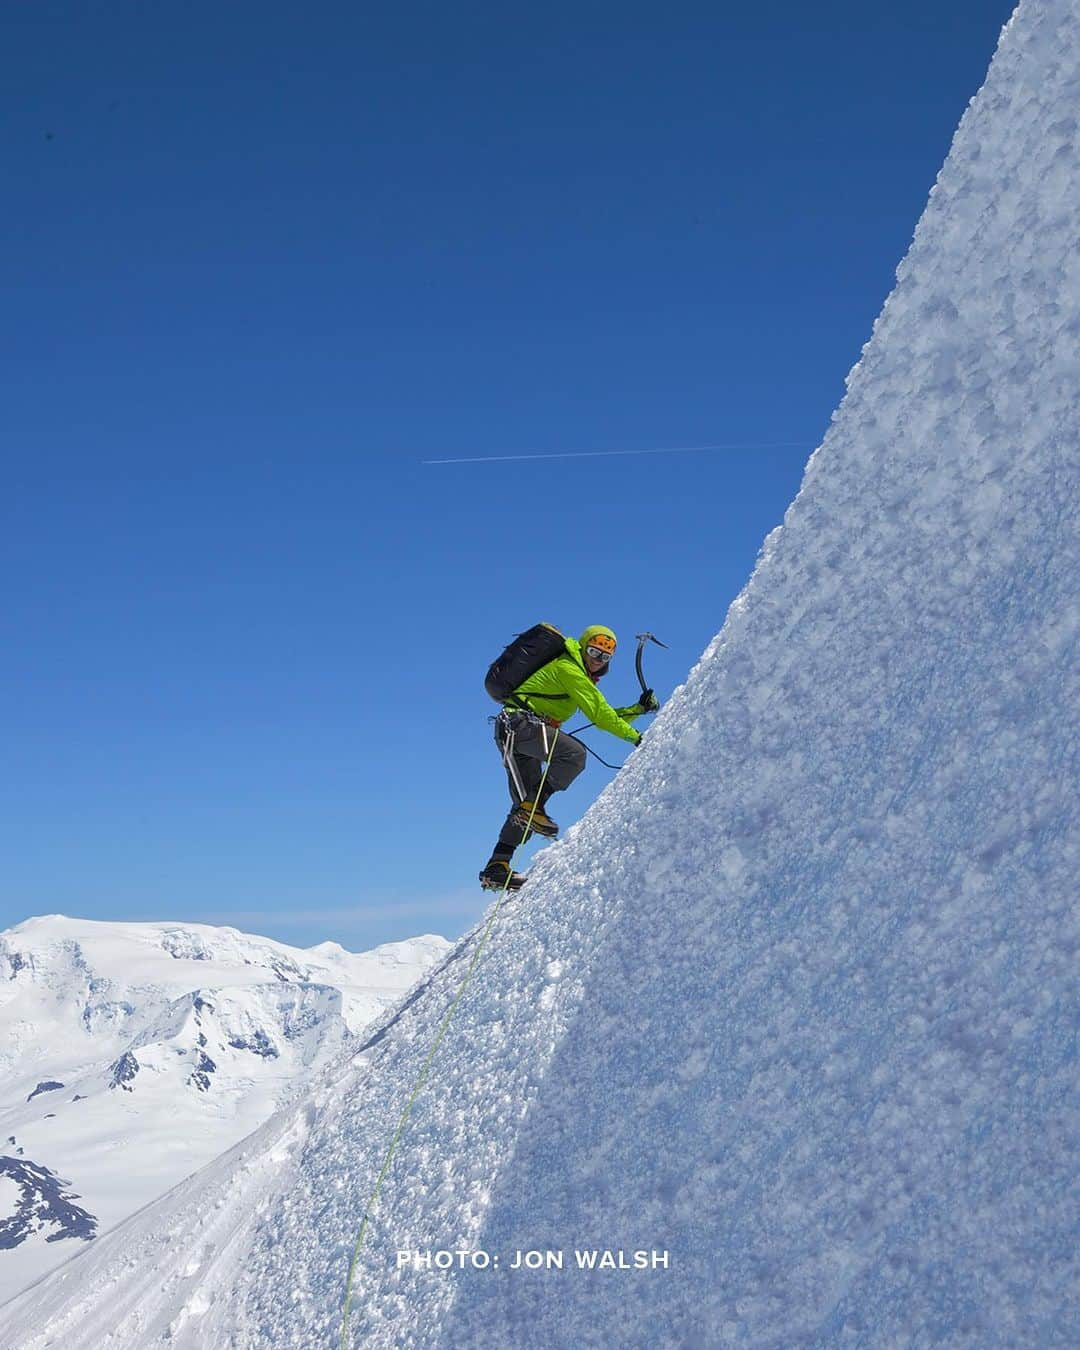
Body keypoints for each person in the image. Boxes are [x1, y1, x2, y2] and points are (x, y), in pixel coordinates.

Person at [479, 625, 660, 891]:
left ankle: (498, 866)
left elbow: (603, 715)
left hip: (520, 730)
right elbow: (601, 716)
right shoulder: (569, 669)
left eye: (604, 657)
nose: (597, 660)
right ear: (584, 646)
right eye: (594, 651)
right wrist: (637, 738)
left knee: (526, 810)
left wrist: (637, 709)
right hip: (519, 726)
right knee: (573, 756)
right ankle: (531, 810)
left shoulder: (579, 675)